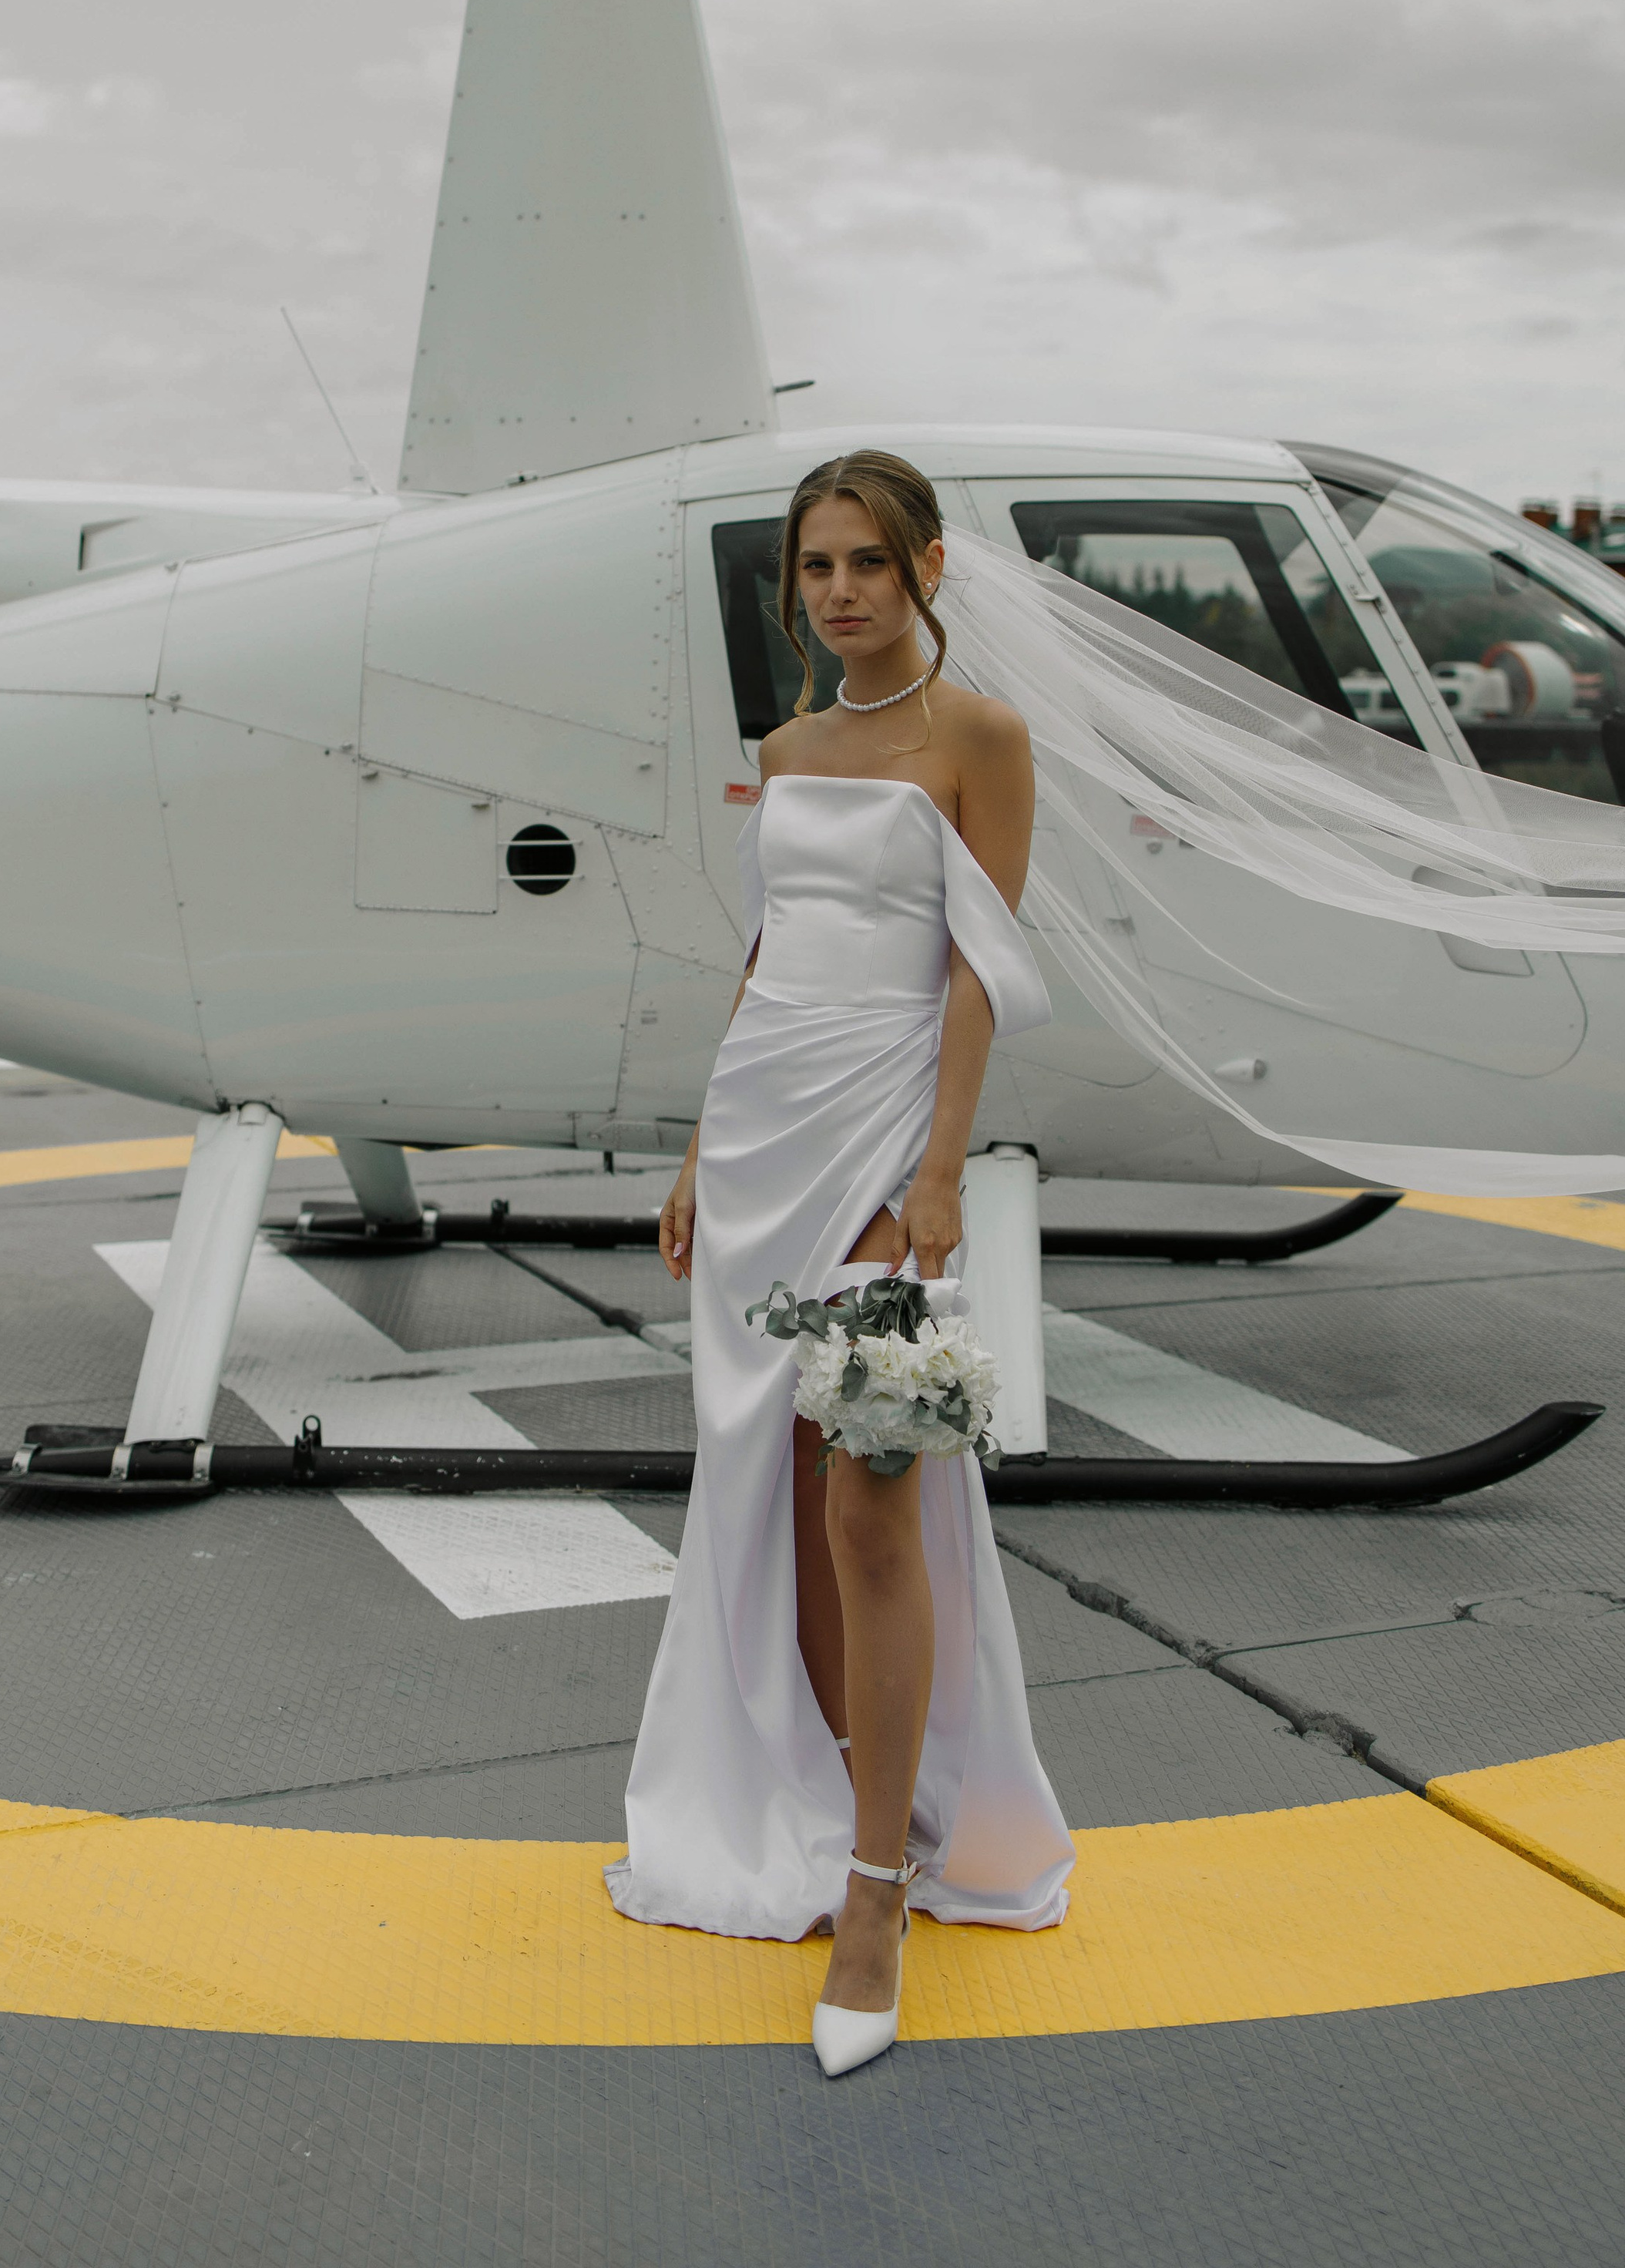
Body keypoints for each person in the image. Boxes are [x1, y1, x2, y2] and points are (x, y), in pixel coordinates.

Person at [604, 449, 1073, 2077]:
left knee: (873, 1494)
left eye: (866, 561)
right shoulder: (789, 746)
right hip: (756, 1147)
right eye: (814, 568)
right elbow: (766, 954)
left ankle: (880, 1891)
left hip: (883, 1153)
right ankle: (812, 1806)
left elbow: (979, 969)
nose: (839, 593)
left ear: (926, 565)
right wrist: (689, 1152)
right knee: (776, 1504)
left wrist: (936, 1170)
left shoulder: (982, 741)